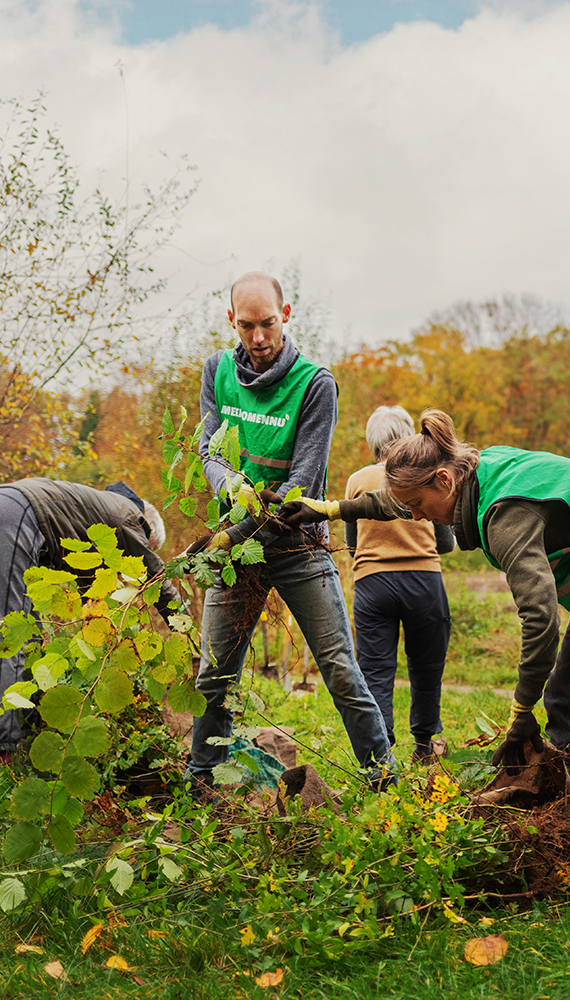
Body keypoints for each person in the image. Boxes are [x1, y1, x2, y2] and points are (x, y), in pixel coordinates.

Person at [282, 409, 570, 872]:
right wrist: (330, 510)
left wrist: (519, 712)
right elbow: (393, 502)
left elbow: (540, 620)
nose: (416, 517)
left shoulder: (504, 514)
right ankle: (569, 826)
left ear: (443, 481)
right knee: (562, 697)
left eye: (419, 504)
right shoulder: (472, 470)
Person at [189, 271, 395, 790]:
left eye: (267, 324)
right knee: (214, 676)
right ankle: (202, 783)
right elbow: (208, 450)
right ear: (231, 321)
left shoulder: (315, 384)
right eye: (246, 326)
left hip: (297, 545)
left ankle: (384, 782)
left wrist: (226, 538)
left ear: (284, 315)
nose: (258, 337)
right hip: (238, 554)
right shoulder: (216, 371)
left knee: (341, 669)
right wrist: (234, 490)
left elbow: (298, 486)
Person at [0, 478, 169, 763]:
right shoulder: (129, 515)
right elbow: (158, 579)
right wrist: (188, 630)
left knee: (21, 630)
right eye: (146, 547)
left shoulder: (91, 514)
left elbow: (89, 601)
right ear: (148, 531)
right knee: (11, 640)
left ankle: (26, 735)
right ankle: (1, 755)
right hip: (8, 516)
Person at [344, 406, 455, 764]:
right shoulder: (423, 478)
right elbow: (446, 542)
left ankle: (380, 753)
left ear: (371, 441)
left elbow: (351, 545)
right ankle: (424, 745)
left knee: (375, 669)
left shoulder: (357, 480)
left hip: (372, 584)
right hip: (424, 581)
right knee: (426, 665)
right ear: (409, 437)